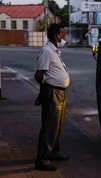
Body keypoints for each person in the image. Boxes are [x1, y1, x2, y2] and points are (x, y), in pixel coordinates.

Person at [34, 24, 70, 171]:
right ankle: (42, 159)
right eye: (63, 35)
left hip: (60, 92)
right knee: (50, 126)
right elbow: (39, 75)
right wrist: (44, 92)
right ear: (56, 36)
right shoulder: (47, 51)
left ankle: (53, 152)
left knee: (58, 125)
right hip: (52, 93)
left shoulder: (56, 51)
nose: (64, 38)